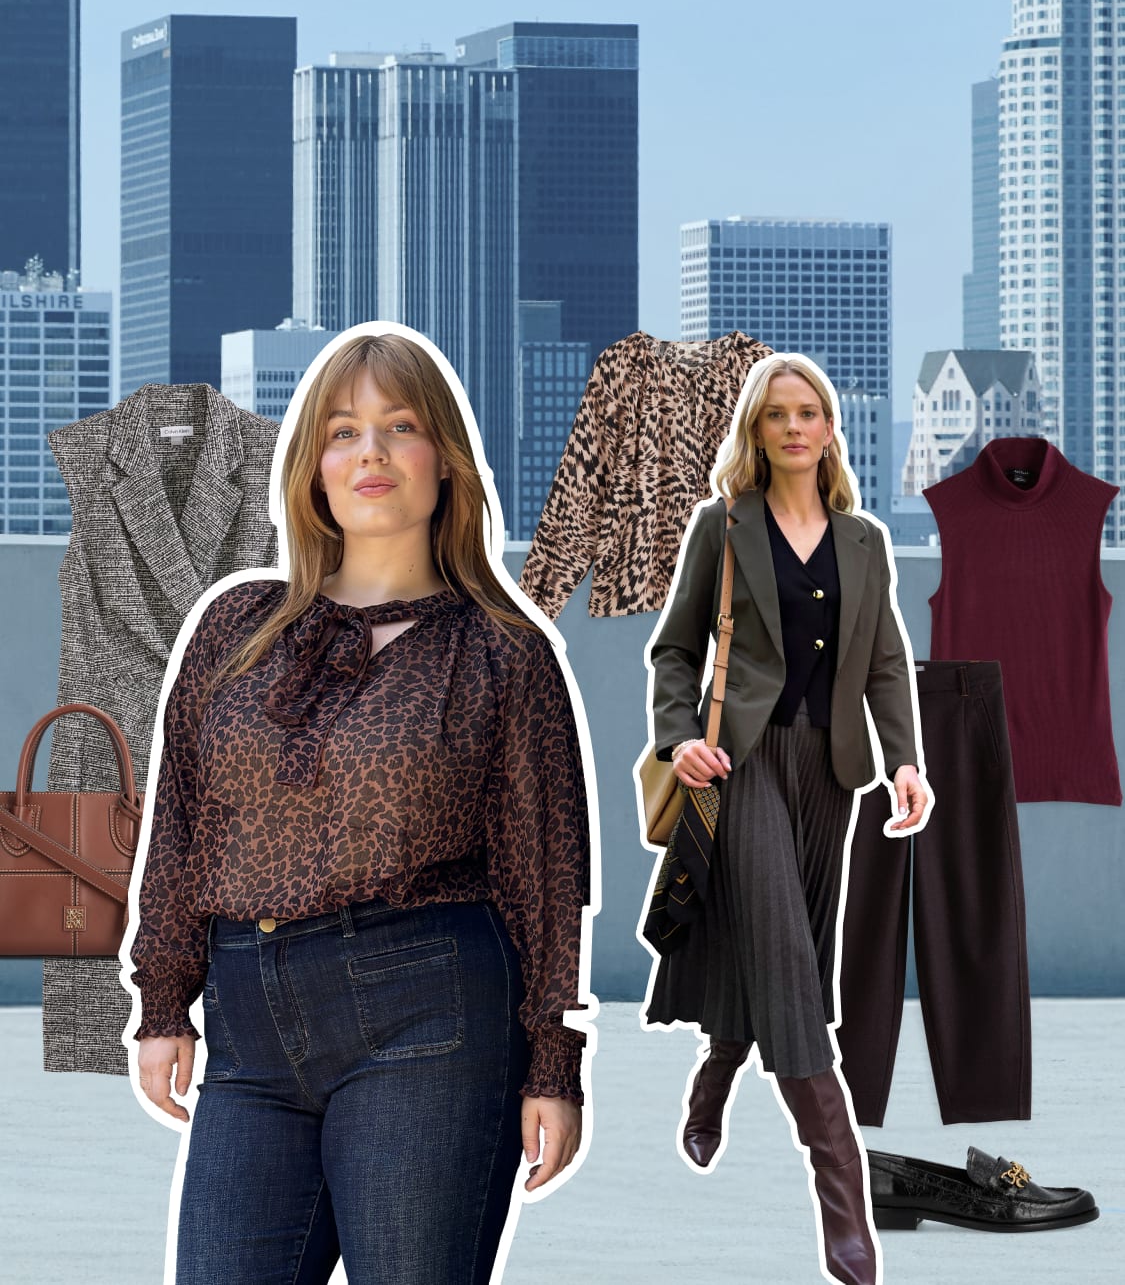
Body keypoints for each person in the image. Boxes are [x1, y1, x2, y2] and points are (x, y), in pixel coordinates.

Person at [128, 328, 592, 1285]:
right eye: (342, 431)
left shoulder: (503, 652)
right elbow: (178, 820)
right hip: (248, 1023)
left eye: (400, 426)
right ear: (312, 468)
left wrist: (553, 1061)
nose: (369, 452)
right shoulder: (234, 627)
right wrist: (163, 998)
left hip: (431, 1008)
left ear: (446, 464)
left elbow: (546, 870)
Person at [642, 353, 930, 1285]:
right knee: (783, 951)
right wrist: (677, 737)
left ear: (830, 428)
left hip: (832, 772)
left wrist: (904, 763)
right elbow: (675, 648)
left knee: (795, 954)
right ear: (756, 431)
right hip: (745, 763)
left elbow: (885, 661)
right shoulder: (721, 529)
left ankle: (720, 1066)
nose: (796, 427)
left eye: (810, 413)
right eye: (778, 415)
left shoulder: (863, 540)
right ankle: (842, 1196)